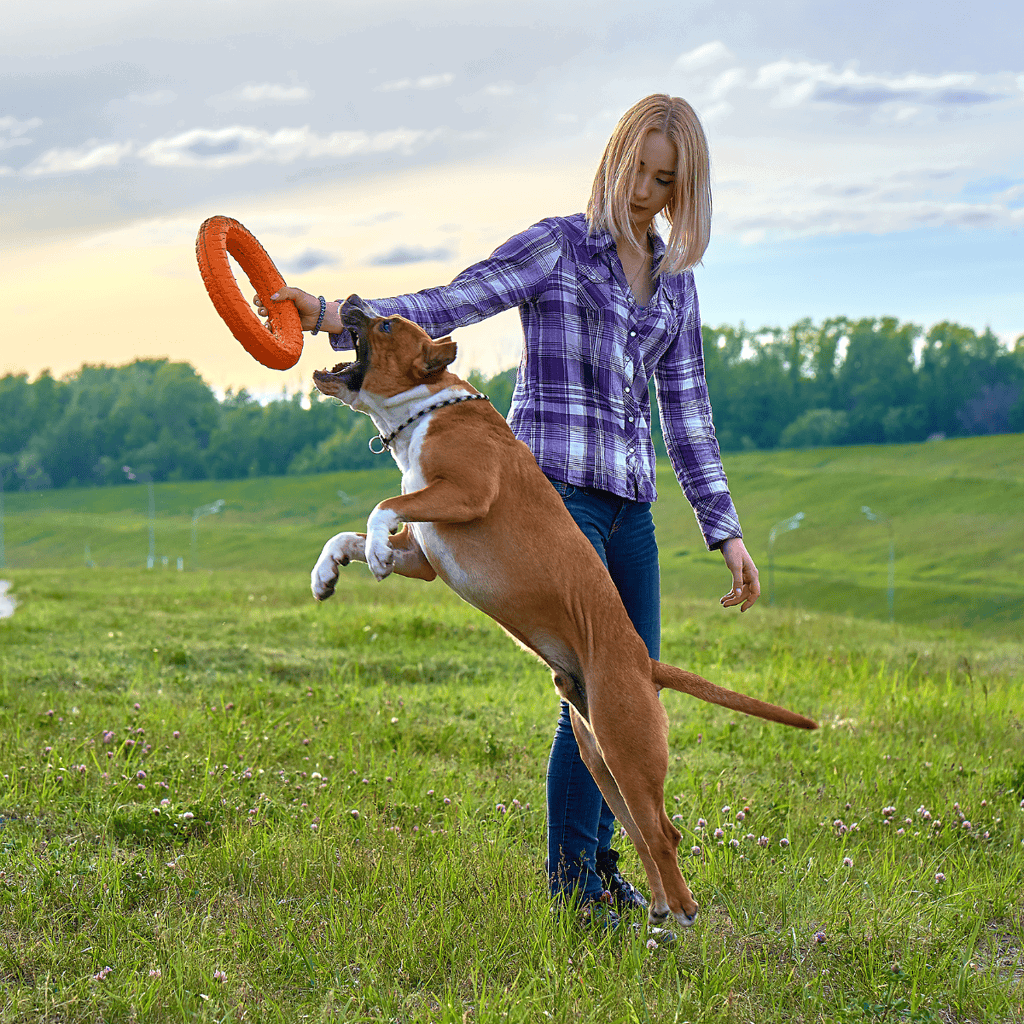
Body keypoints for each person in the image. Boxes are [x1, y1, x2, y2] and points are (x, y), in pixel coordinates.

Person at [259, 93, 760, 925]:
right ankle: (577, 884)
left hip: (632, 507)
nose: (644, 191)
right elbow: (454, 300)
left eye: (665, 180)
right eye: (637, 168)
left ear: (684, 189)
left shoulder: (675, 285)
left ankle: (605, 871)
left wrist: (725, 528)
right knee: (588, 687)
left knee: (627, 693)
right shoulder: (559, 245)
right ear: (616, 157)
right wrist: (333, 316)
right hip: (553, 493)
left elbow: (690, 410)